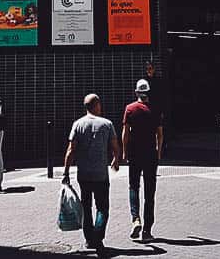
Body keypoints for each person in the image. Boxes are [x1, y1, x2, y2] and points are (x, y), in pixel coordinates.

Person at [63, 93, 120, 253]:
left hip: (84, 174)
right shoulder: (107, 124)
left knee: (86, 207)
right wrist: (116, 159)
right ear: (97, 105)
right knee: (102, 208)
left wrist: (66, 172)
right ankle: (98, 236)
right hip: (101, 174)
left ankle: (89, 240)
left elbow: (71, 150)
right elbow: (115, 146)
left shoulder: (78, 124)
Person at [122, 79, 163, 243]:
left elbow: (125, 132)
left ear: (136, 92)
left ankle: (135, 218)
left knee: (133, 186)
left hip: (134, 153)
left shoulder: (130, 109)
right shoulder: (156, 109)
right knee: (150, 191)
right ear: (148, 92)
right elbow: (160, 134)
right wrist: (158, 152)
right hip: (150, 154)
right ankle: (147, 230)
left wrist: (124, 152)